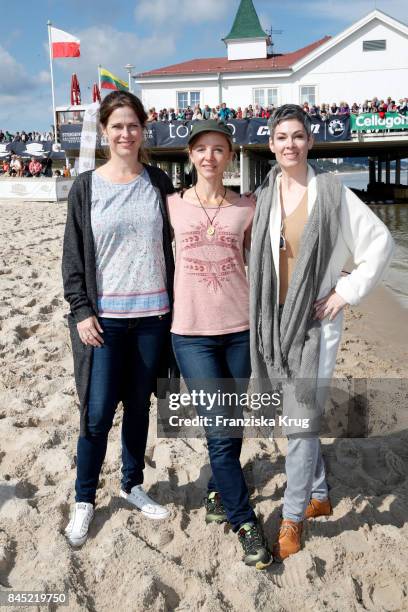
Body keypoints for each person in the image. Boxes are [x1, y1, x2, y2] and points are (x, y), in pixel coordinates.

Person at [249, 104, 394, 561]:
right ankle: (319, 493)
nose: (289, 144)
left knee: (301, 418)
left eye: (297, 136)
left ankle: (292, 518)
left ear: (309, 142)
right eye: (281, 137)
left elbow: (381, 243)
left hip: (315, 323)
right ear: (270, 145)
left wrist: (345, 292)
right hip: (273, 323)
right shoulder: (266, 191)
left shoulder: (331, 193)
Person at [62, 91, 176, 547]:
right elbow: (72, 257)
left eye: (133, 125)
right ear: (106, 132)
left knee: (139, 407)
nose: (126, 133)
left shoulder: (159, 181)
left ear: (142, 130)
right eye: (118, 126)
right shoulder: (86, 186)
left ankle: (131, 485)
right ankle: (84, 498)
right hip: (104, 323)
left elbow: (187, 235)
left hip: (153, 319)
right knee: (96, 413)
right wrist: (81, 310)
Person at [167, 120, 272, 569]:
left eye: (219, 149)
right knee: (218, 425)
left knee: (232, 423)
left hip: (239, 328)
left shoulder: (246, 207)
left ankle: (216, 488)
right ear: (190, 155)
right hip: (190, 333)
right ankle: (244, 519)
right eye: (202, 149)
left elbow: (269, 260)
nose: (210, 157)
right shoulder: (171, 205)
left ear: (230, 156)